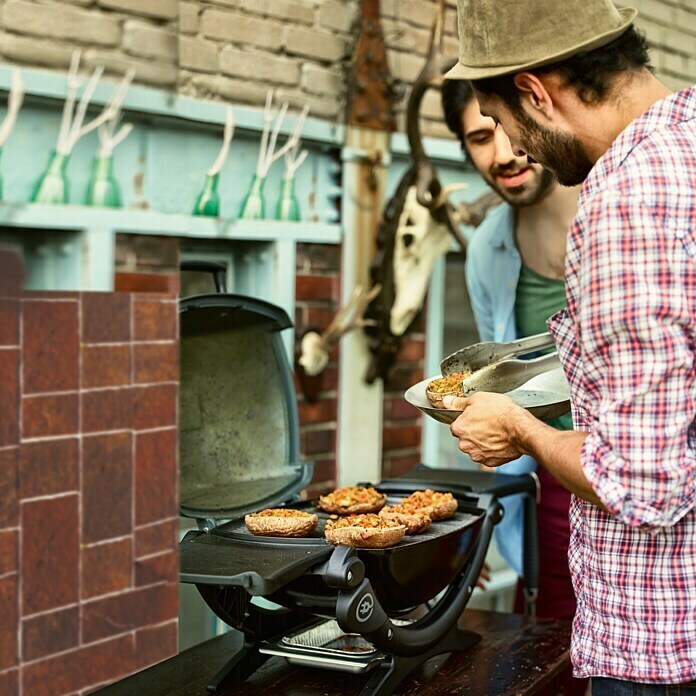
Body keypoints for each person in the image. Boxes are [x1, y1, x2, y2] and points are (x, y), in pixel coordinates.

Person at [443, 0, 696, 692]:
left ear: (534, 92)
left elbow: (642, 483)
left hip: (664, 646)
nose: (510, 144)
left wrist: (521, 429)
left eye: (500, 121)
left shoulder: (625, 196)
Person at [441, 78, 581, 624]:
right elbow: (489, 388)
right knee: (553, 653)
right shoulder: (487, 252)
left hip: (643, 472)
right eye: (479, 137)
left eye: (506, 126)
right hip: (549, 483)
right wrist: (468, 525)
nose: (503, 153)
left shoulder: (620, 215)